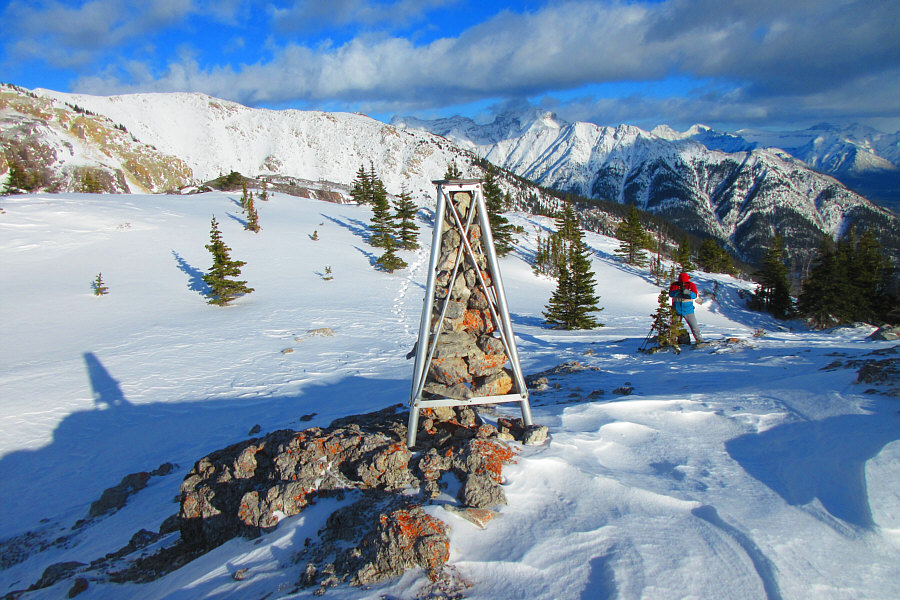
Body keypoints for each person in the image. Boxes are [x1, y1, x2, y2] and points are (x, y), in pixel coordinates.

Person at [669, 272, 704, 344]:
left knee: (695, 327)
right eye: (681, 282)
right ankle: (672, 341)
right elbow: (671, 294)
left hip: (688, 310)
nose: (683, 284)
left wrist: (687, 292)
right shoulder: (674, 285)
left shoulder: (691, 285)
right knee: (674, 328)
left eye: (684, 282)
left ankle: (699, 340)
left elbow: (694, 296)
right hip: (677, 310)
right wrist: (678, 292)